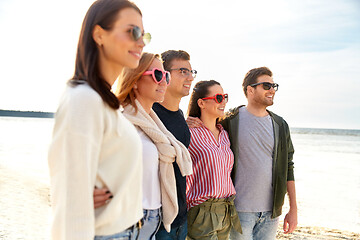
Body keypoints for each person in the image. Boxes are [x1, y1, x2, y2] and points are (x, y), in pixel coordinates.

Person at [47, 0, 151, 239]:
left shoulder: (105, 102)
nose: (140, 42)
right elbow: (68, 206)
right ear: (99, 34)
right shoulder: (83, 99)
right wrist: (75, 193)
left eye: (144, 36)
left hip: (128, 231)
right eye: (132, 31)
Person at [93, 50, 196, 240]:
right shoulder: (118, 120)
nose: (164, 81)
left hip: (153, 220)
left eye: (165, 75)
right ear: (135, 80)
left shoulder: (156, 127)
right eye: (157, 75)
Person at [223, 67, 298, 240]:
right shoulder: (230, 120)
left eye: (274, 86)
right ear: (250, 90)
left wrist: (293, 209)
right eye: (266, 85)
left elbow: (289, 166)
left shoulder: (280, 125)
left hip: (271, 214)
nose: (272, 90)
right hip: (239, 211)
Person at [185, 80, 242, 240]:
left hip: (227, 209)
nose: (223, 101)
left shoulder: (224, 134)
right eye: (218, 97)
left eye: (225, 97)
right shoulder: (189, 133)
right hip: (202, 211)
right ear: (201, 103)